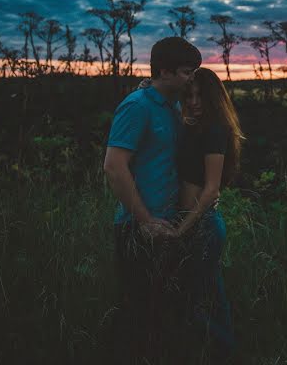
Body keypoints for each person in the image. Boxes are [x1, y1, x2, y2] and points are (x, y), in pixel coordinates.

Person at [103, 36, 201, 363]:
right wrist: (145, 221)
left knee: (165, 317)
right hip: (139, 229)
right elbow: (114, 167)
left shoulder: (174, 106)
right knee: (138, 316)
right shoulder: (137, 106)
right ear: (166, 71)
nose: (192, 78)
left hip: (169, 227)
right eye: (188, 72)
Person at [175, 67, 243, 362]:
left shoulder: (215, 130)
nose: (193, 101)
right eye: (188, 95)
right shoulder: (196, 127)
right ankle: (218, 354)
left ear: (213, 97)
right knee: (204, 299)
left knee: (204, 304)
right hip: (194, 226)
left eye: (200, 95)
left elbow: (212, 190)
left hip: (201, 226)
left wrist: (181, 229)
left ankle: (223, 355)